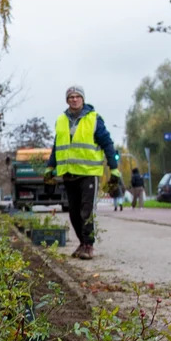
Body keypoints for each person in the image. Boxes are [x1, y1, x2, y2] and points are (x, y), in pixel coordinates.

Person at [43, 85, 120, 260]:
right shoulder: (61, 120)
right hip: (68, 173)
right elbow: (57, 146)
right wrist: (49, 168)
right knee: (73, 212)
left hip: (88, 172)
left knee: (87, 210)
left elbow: (107, 143)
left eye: (77, 96)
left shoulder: (94, 119)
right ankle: (81, 242)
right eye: (71, 97)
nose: (74, 99)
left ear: (83, 99)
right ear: (67, 100)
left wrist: (114, 168)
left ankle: (89, 245)